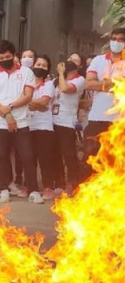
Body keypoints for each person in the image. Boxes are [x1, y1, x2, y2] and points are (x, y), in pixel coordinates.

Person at [0, 39, 43, 204]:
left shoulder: (26, 73)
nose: (5, 59)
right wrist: (5, 114)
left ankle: (33, 190)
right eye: (1, 57)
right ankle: (3, 189)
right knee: (1, 156)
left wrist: (9, 107)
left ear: (13, 55)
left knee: (27, 156)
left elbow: (28, 96)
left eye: (8, 56)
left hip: (22, 121)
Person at [84, 28, 125, 169]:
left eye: (121, 40)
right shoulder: (98, 60)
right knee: (92, 158)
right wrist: (114, 83)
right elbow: (88, 84)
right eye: (114, 39)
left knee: (117, 162)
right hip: (96, 117)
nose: (116, 42)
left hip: (119, 121)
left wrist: (100, 84)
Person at [53, 52, 87, 193]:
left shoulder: (79, 80)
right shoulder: (58, 80)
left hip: (67, 123)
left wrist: (61, 74)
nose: (71, 61)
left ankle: (74, 182)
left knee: (69, 154)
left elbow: (66, 89)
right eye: (70, 59)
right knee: (55, 154)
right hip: (54, 120)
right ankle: (59, 183)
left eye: (75, 60)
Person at [28, 55, 56, 200]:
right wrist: (36, 104)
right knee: (29, 159)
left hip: (44, 127)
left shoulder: (49, 85)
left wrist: (27, 101)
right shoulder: (26, 84)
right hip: (28, 126)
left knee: (45, 159)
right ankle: (30, 187)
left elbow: (45, 102)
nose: (40, 67)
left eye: (44, 66)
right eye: (38, 64)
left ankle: (48, 187)